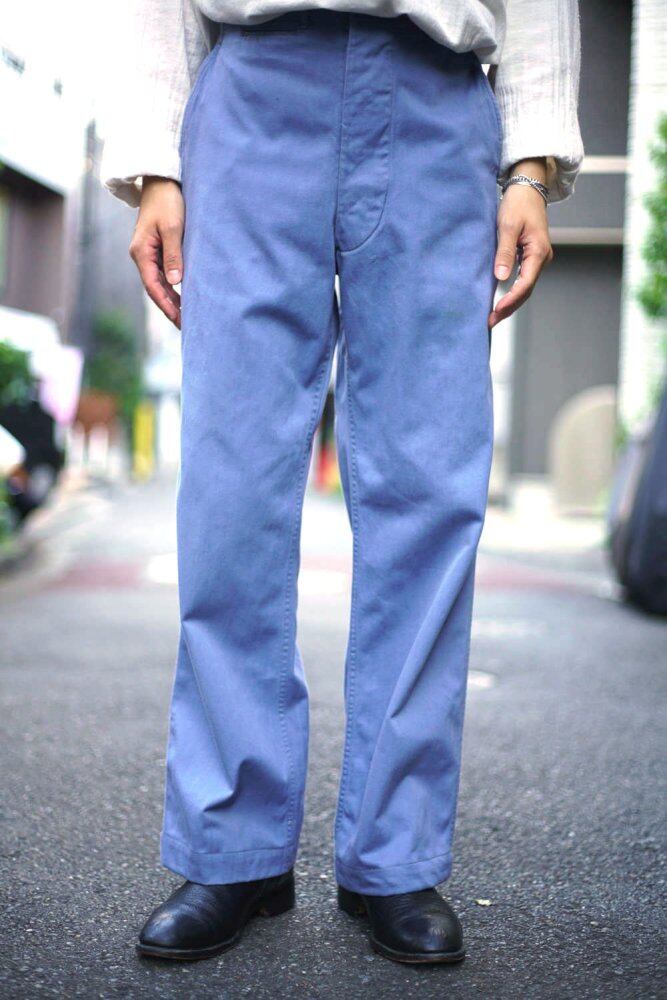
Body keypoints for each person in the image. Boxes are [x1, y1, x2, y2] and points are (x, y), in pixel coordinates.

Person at [103, 0, 582, 965]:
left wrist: (529, 165)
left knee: (427, 494)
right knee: (231, 491)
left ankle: (394, 856)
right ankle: (232, 844)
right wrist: (155, 160)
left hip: (437, 94)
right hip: (251, 89)